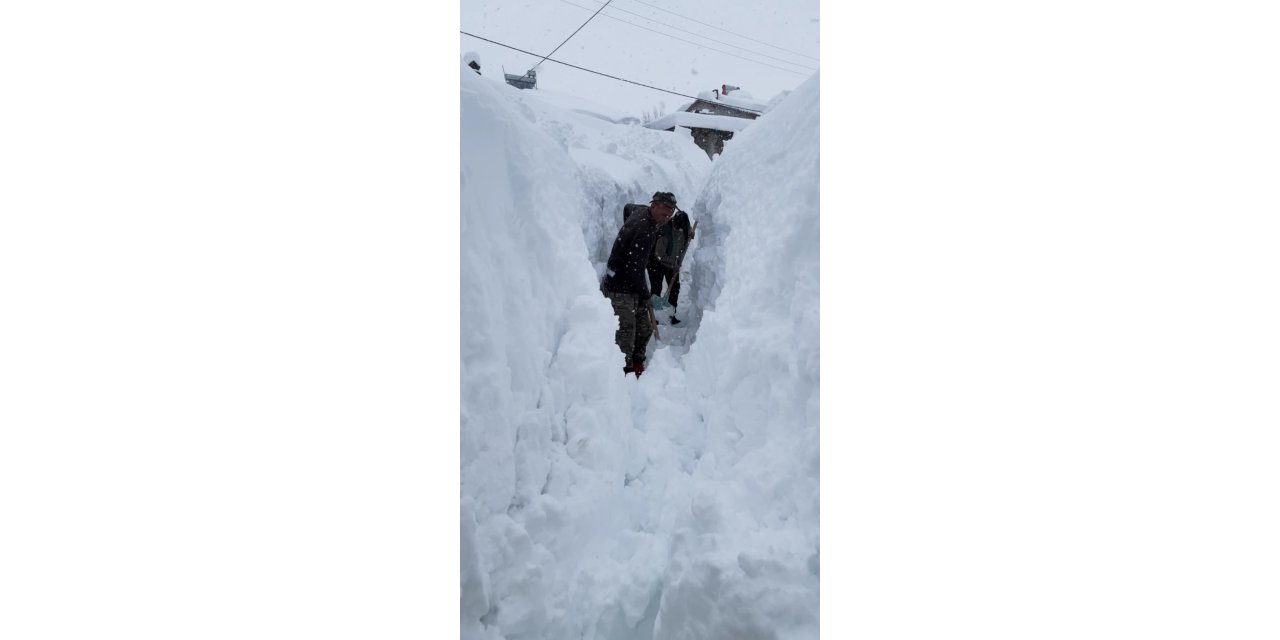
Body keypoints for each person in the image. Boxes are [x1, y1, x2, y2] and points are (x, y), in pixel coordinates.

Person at [601, 191, 678, 376]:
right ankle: (624, 373)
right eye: (663, 214)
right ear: (653, 205)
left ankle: (637, 362)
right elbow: (635, 272)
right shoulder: (644, 231)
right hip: (619, 286)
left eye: (669, 215)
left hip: (630, 281)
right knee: (626, 333)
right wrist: (646, 296)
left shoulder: (641, 211)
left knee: (645, 326)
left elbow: (628, 208)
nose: (666, 219)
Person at [647, 207, 695, 324]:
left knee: (675, 288)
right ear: (673, 222)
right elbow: (659, 255)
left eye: (680, 228)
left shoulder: (683, 226)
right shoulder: (664, 232)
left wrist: (690, 233)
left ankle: (671, 314)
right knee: (656, 289)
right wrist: (674, 264)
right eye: (676, 227)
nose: (678, 230)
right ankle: (654, 317)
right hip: (655, 263)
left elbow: (688, 230)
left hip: (672, 263)